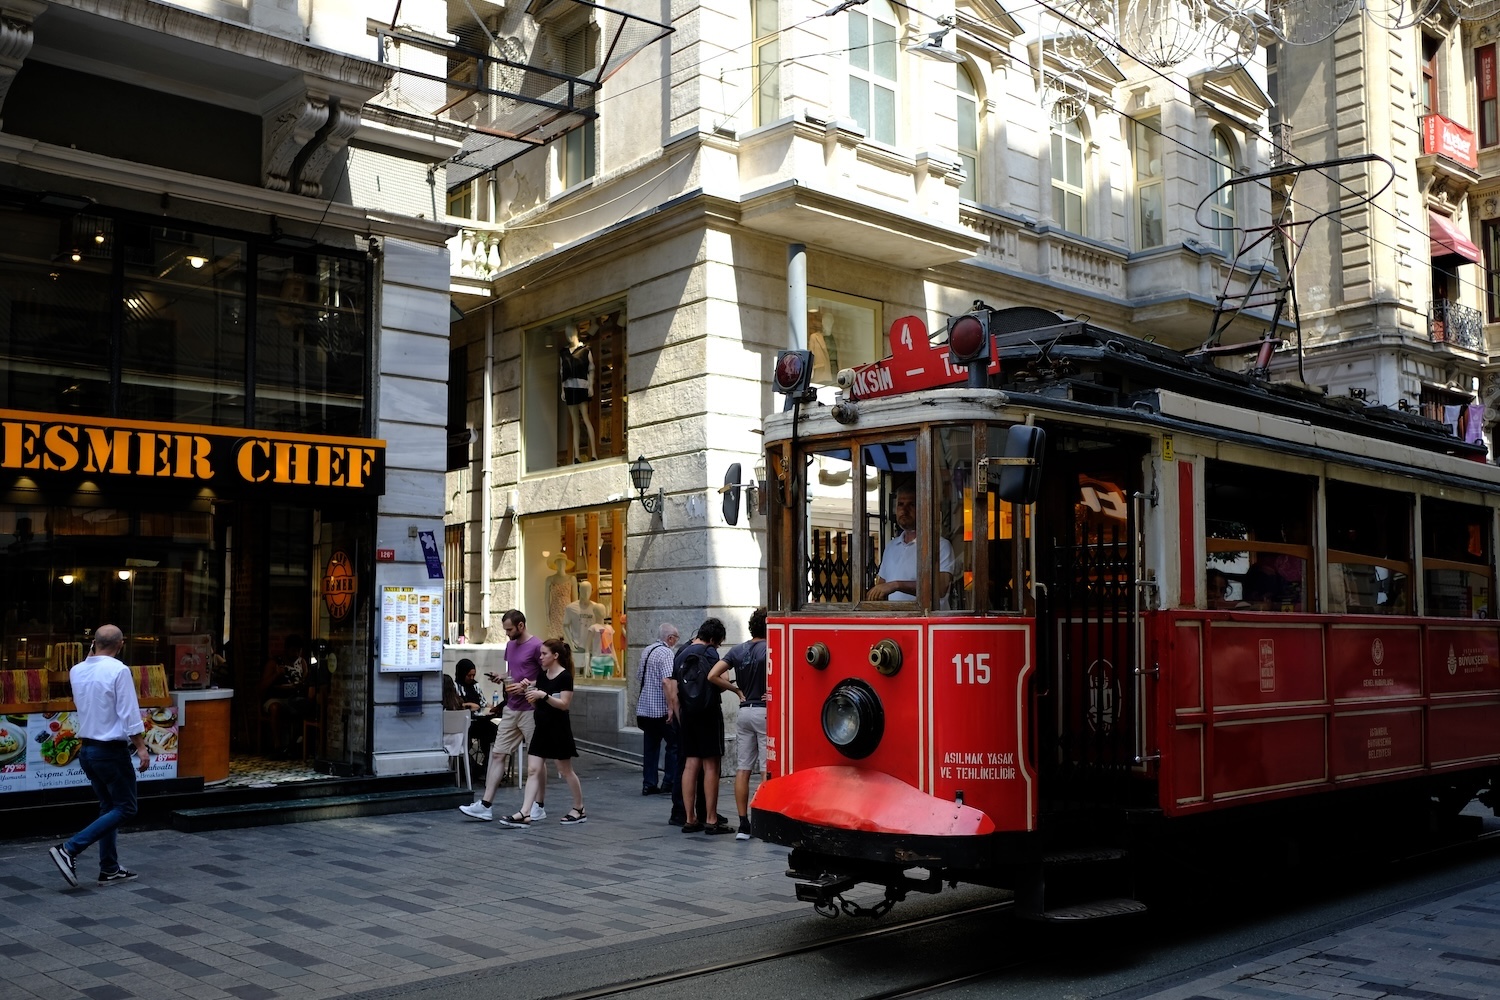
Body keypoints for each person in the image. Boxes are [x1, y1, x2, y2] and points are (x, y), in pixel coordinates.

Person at [49, 624, 149, 887]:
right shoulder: (119, 670)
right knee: (126, 807)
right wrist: (141, 746)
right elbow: (128, 711)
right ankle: (69, 848)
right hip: (110, 752)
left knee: (109, 807)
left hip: (88, 750)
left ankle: (110, 868)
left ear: (93, 643)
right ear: (121, 644)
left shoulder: (77, 670)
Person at [459, 610, 547, 822]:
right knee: (498, 754)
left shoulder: (537, 646)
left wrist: (528, 684)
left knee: (536, 761)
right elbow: (514, 672)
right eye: (505, 629)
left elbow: (547, 677)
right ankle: (486, 805)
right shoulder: (510, 646)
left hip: (531, 710)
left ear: (521, 626)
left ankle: (539, 805)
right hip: (511, 708)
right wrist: (503, 677)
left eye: (509, 629)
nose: (506, 634)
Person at [498, 639, 587, 827]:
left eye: (544, 654)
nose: (541, 657)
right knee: (533, 770)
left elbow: (564, 704)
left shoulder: (565, 677)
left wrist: (542, 695)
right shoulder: (542, 675)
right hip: (542, 727)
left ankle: (579, 808)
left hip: (558, 728)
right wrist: (531, 694)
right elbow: (538, 703)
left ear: (555, 656)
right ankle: (525, 812)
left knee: (565, 770)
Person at [667, 617, 731, 835]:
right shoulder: (710, 652)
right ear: (713, 639)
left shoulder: (682, 653)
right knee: (711, 765)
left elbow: (674, 692)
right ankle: (711, 819)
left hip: (687, 715)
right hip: (708, 712)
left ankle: (690, 818)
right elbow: (724, 677)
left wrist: (679, 716)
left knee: (690, 765)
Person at [710, 607, 767, 841]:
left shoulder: (738, 650)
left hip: (744, 712)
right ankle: (765, 820)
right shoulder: (770, 649)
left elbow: (712, 675)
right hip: (765, 712)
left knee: (743, 768)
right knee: (766, 769)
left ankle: (743, 824)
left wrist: (735, 690)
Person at [867, 478, 959, 608]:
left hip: (928, 623)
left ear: (923, 508)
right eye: (900, 504)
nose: (904, 510)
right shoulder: (891, 547)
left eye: (912, 504)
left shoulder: (940, 546)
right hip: (897, 623)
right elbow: (881, 587)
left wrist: (896, 585)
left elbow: (940, 589)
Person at [636, 622, 680, 795]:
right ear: (670, 638)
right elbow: (667, 681)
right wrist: (671, 708)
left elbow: (640, 676)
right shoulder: (667, 653)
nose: (676, 642)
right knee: (674, 744)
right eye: (676, 639)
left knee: (651, 747)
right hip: (661, 709)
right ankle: (669, 782)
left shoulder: (647, 650)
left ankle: (649, 783)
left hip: (645, 709)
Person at [259, 634, 313, 757]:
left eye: (298, 651)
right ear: (286, 649)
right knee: (274, 707)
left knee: (306, 705)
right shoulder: (275, 663)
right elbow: (262, 686)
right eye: (293, 651)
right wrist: (276, 675)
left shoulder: (302, 662)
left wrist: (301, 685)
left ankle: (297, 743)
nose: (296, 654)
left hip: (294, 697)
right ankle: (277, 746)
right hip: (275, 697)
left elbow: (306, 680)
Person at [444, 658, 498, 774]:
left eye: (473, 675)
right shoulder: (455, 687)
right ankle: (469, 769)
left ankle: (488, 767)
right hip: (464, 724)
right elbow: (457, 704)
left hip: (478, 722)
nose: (471, 678)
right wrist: (470, 705)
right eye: (469, 675)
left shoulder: (476, 686)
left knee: (492, 731)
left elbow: (483, 703)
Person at [559, 327, 597, 463]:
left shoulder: (585, 350)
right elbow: (562, 371)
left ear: (576, 334)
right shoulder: (563, 353)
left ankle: (594, 453)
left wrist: (591, 386)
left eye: (571, 334)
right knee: (575, 422)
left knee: (585, 419)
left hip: (582, 387)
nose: (569, 336)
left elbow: (591, 369)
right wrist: (563, 390)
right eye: (566, 334)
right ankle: (576, 456)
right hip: (569, 388)